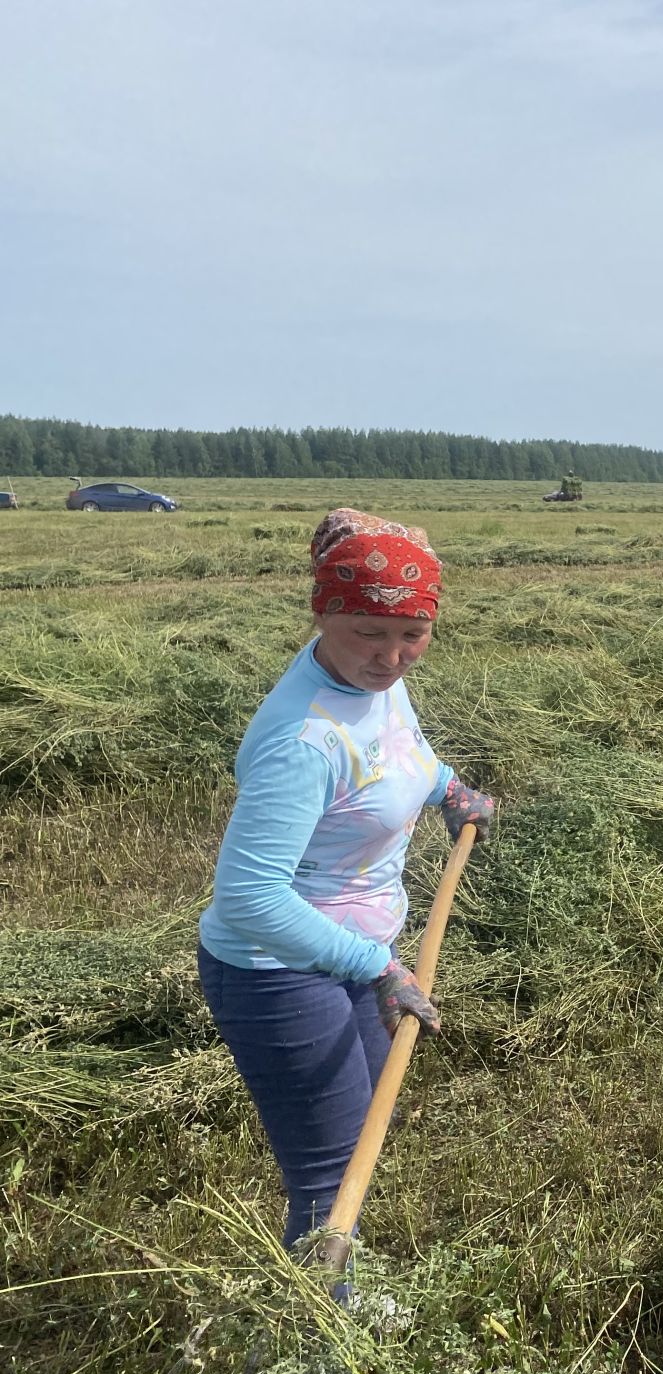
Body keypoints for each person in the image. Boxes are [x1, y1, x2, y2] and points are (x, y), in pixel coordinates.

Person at [198, 509, 496, 1259]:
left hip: (353, 954)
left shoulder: (376, 685)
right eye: (369, 631)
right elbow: (249, 897)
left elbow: (402, 746)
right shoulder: (304, 741)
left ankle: (343, 1301)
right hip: (279, 971)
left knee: (364, 1128)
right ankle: (318, 1345)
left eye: (412, 635)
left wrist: (448, 787)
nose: (392, 658)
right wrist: (379, 966)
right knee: (332, 1178)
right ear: (325, 612)